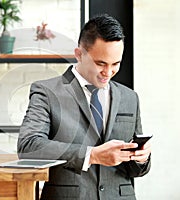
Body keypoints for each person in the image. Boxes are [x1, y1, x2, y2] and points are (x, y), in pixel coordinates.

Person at [17, 14, 151, 200]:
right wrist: (92, 155)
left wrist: (141, 158)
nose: (108, 72)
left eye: (116, 64)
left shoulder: (130, 97)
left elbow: (136, 171)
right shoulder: (47, 92)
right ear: (79, 54)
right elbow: (28, 147)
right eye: (100, 63)